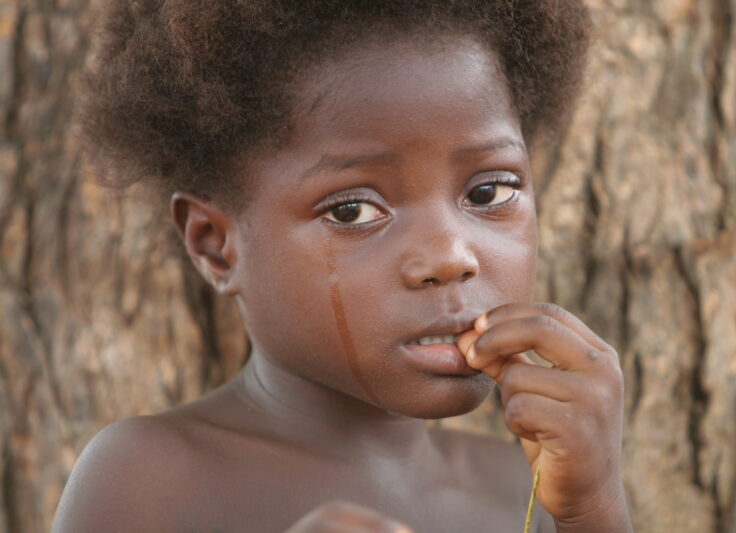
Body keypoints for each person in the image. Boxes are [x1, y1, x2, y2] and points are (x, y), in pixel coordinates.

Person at [52, 1, 634, 531]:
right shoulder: (150, 479)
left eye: (488, 193)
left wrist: (593, 510)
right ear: (215, 246)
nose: (450, 257)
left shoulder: (522, 488)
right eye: (353, 210)